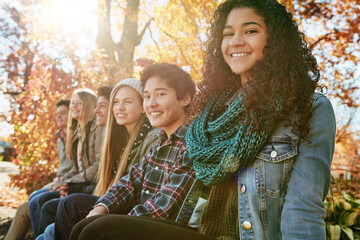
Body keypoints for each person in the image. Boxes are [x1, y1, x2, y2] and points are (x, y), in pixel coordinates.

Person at [186, 0, 336, 239]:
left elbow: (303, 211)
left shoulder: (310, 108)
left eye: (250, 31)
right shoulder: (212, 112)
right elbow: (198, 201)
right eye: (228, 34)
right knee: (108, 227)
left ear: (274, 40)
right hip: (200, 232)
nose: (235, 41)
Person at [68, 62, 198, 240]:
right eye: (147, 96)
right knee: (77, 213)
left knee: (95, 229)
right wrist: (101, 207)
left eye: (160, 94)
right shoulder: (160, 141)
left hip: (170, 228)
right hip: (143, 220)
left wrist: (118, 220)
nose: (151, 104)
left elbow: (165, 207)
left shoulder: (192, 142)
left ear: (185, 98)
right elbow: (130, 181)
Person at [38, 78, 160, 240]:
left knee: (65, 208)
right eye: (116, 102)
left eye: (128, 102)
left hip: (133, 210)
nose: (119, 107)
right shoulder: (120, 139)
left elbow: (136, 189)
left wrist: (73, 187)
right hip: (113, 202)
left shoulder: (151, 138)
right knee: (46, 224)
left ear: (143, 106)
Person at [28, 88, 105, 237]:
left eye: (78, 103)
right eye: (73, 103)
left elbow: (97, 167)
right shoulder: (78, 132)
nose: (73, 107)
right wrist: (64, 182)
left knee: (44, 203)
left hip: (91, 185)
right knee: (37, 199)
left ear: (89, 105)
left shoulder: (98, 128)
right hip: (80, 182)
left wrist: (68, 183)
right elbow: (77, 168)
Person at [4, 99, 73, 240]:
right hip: (60, 180)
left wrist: (61, 182)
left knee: (33, 203)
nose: (58, 116)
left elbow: (77, 170)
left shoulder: (76, 137)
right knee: (32, 198)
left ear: (71, 114)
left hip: (69, 182)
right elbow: (63, 169)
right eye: (57, 113)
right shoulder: (61, 139)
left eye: (63, 113)